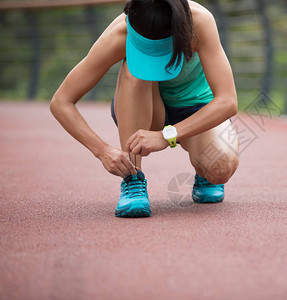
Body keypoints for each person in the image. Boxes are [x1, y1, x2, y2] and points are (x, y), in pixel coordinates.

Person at [50, 0, 239, 218]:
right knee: (133, 71)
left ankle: (203, 171)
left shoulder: (199, 23)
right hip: (147, 108)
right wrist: (101, 151)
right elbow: (61, 102)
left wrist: (167, 135)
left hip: (194, 107)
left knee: (220, 168)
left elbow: (228, 101)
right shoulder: (119, 34)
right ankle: (133, 180)